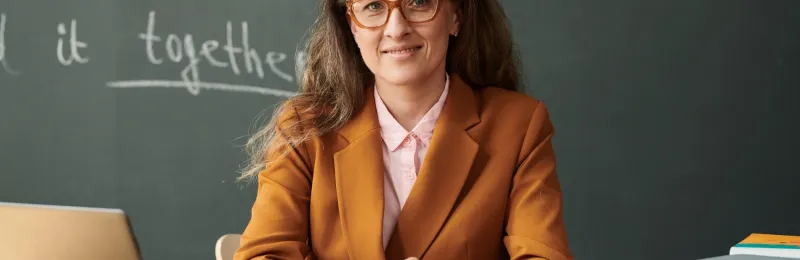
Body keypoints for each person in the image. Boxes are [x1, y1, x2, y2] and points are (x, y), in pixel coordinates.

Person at [234, 0, 573, 259]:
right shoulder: (304, 129)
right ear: (352, 25)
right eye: (373, 6)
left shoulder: (519, 124)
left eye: (419, 1)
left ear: (456, 15)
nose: (396, 28)